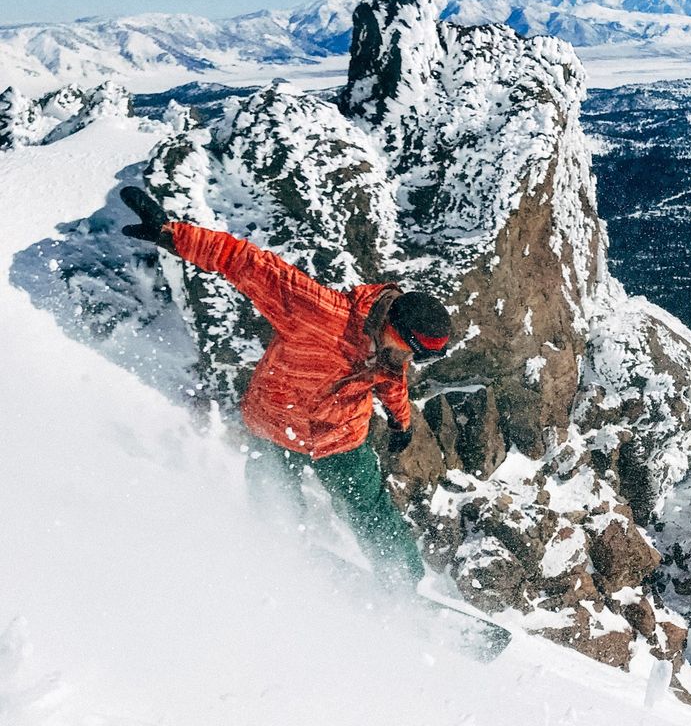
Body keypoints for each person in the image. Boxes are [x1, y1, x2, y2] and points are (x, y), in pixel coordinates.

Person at [120, 186, 451, 590]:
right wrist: (173, 235)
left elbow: (393, 385)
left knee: (369, 507)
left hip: (339, 437)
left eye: (413, 355)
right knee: (274, 494)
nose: (405, 359)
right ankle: (277, 554)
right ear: (390, 326)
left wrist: (402, 424)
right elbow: (248, 263)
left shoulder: (391, 355)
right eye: (406, 347)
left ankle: (403, 583)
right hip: (275, 425)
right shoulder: (319, 311)